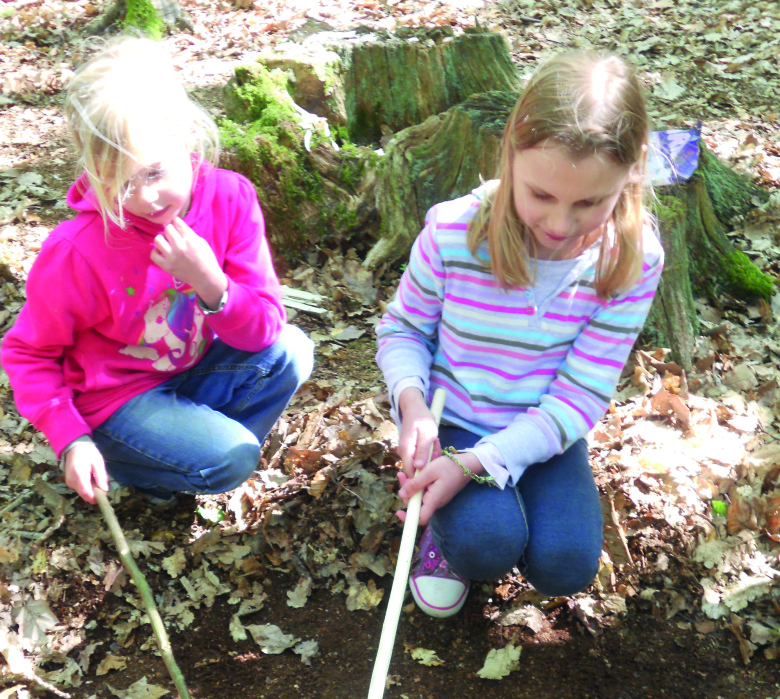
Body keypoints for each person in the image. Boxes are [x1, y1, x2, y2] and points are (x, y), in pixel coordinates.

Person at [376, 50, 663, 618]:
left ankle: (494, 510)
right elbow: (403, 328)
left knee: (566, 564)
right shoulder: (456, 232)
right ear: (509, 152)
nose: (560, 226)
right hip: (454, 418)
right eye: (540, 195)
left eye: (590, 203)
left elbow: (581, 394)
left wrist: (485, 463)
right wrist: (413, 406)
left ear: (632, 170)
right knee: (487, 544)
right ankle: (450, 547)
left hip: (545, 430)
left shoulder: (632, 260)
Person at [1, 36, 313, 506]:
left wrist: (211, 283)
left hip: (191, 366)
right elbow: (29, 352)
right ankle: (145, 468)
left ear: (185, 136)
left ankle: (184, 452)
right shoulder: (76, 250)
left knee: (291, 350)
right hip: (116, 401)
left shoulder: (230, 197)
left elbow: (265, 327)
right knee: (231, 458)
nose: (143, 199)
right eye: (119, 183)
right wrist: (70, 437)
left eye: (153, 173)